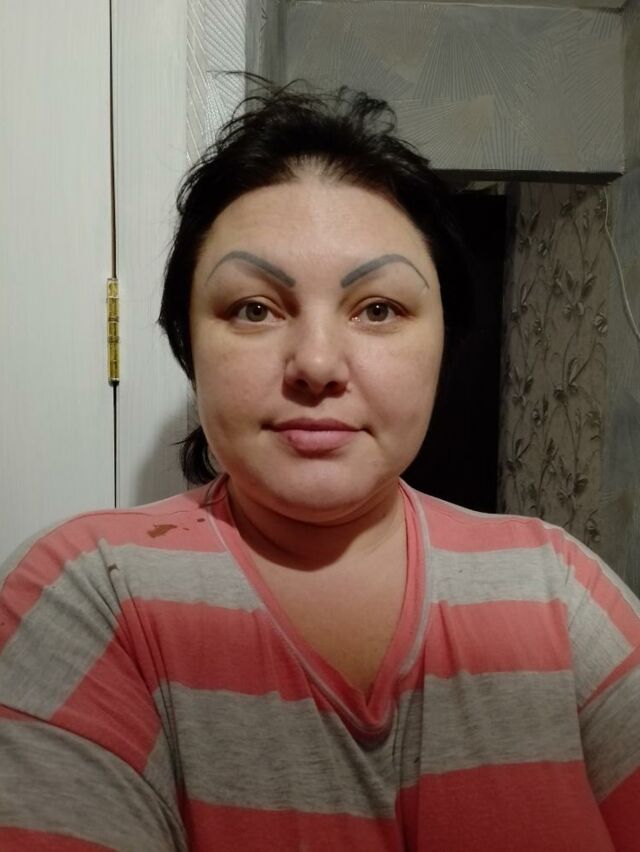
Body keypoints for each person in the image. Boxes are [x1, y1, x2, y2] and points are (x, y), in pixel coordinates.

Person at [1, 81, 639, 852]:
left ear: (444, 342)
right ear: (188, 345)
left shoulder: (557, 588)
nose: (316, 363)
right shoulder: (89, 592)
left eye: (378, 309)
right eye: (254, 309)